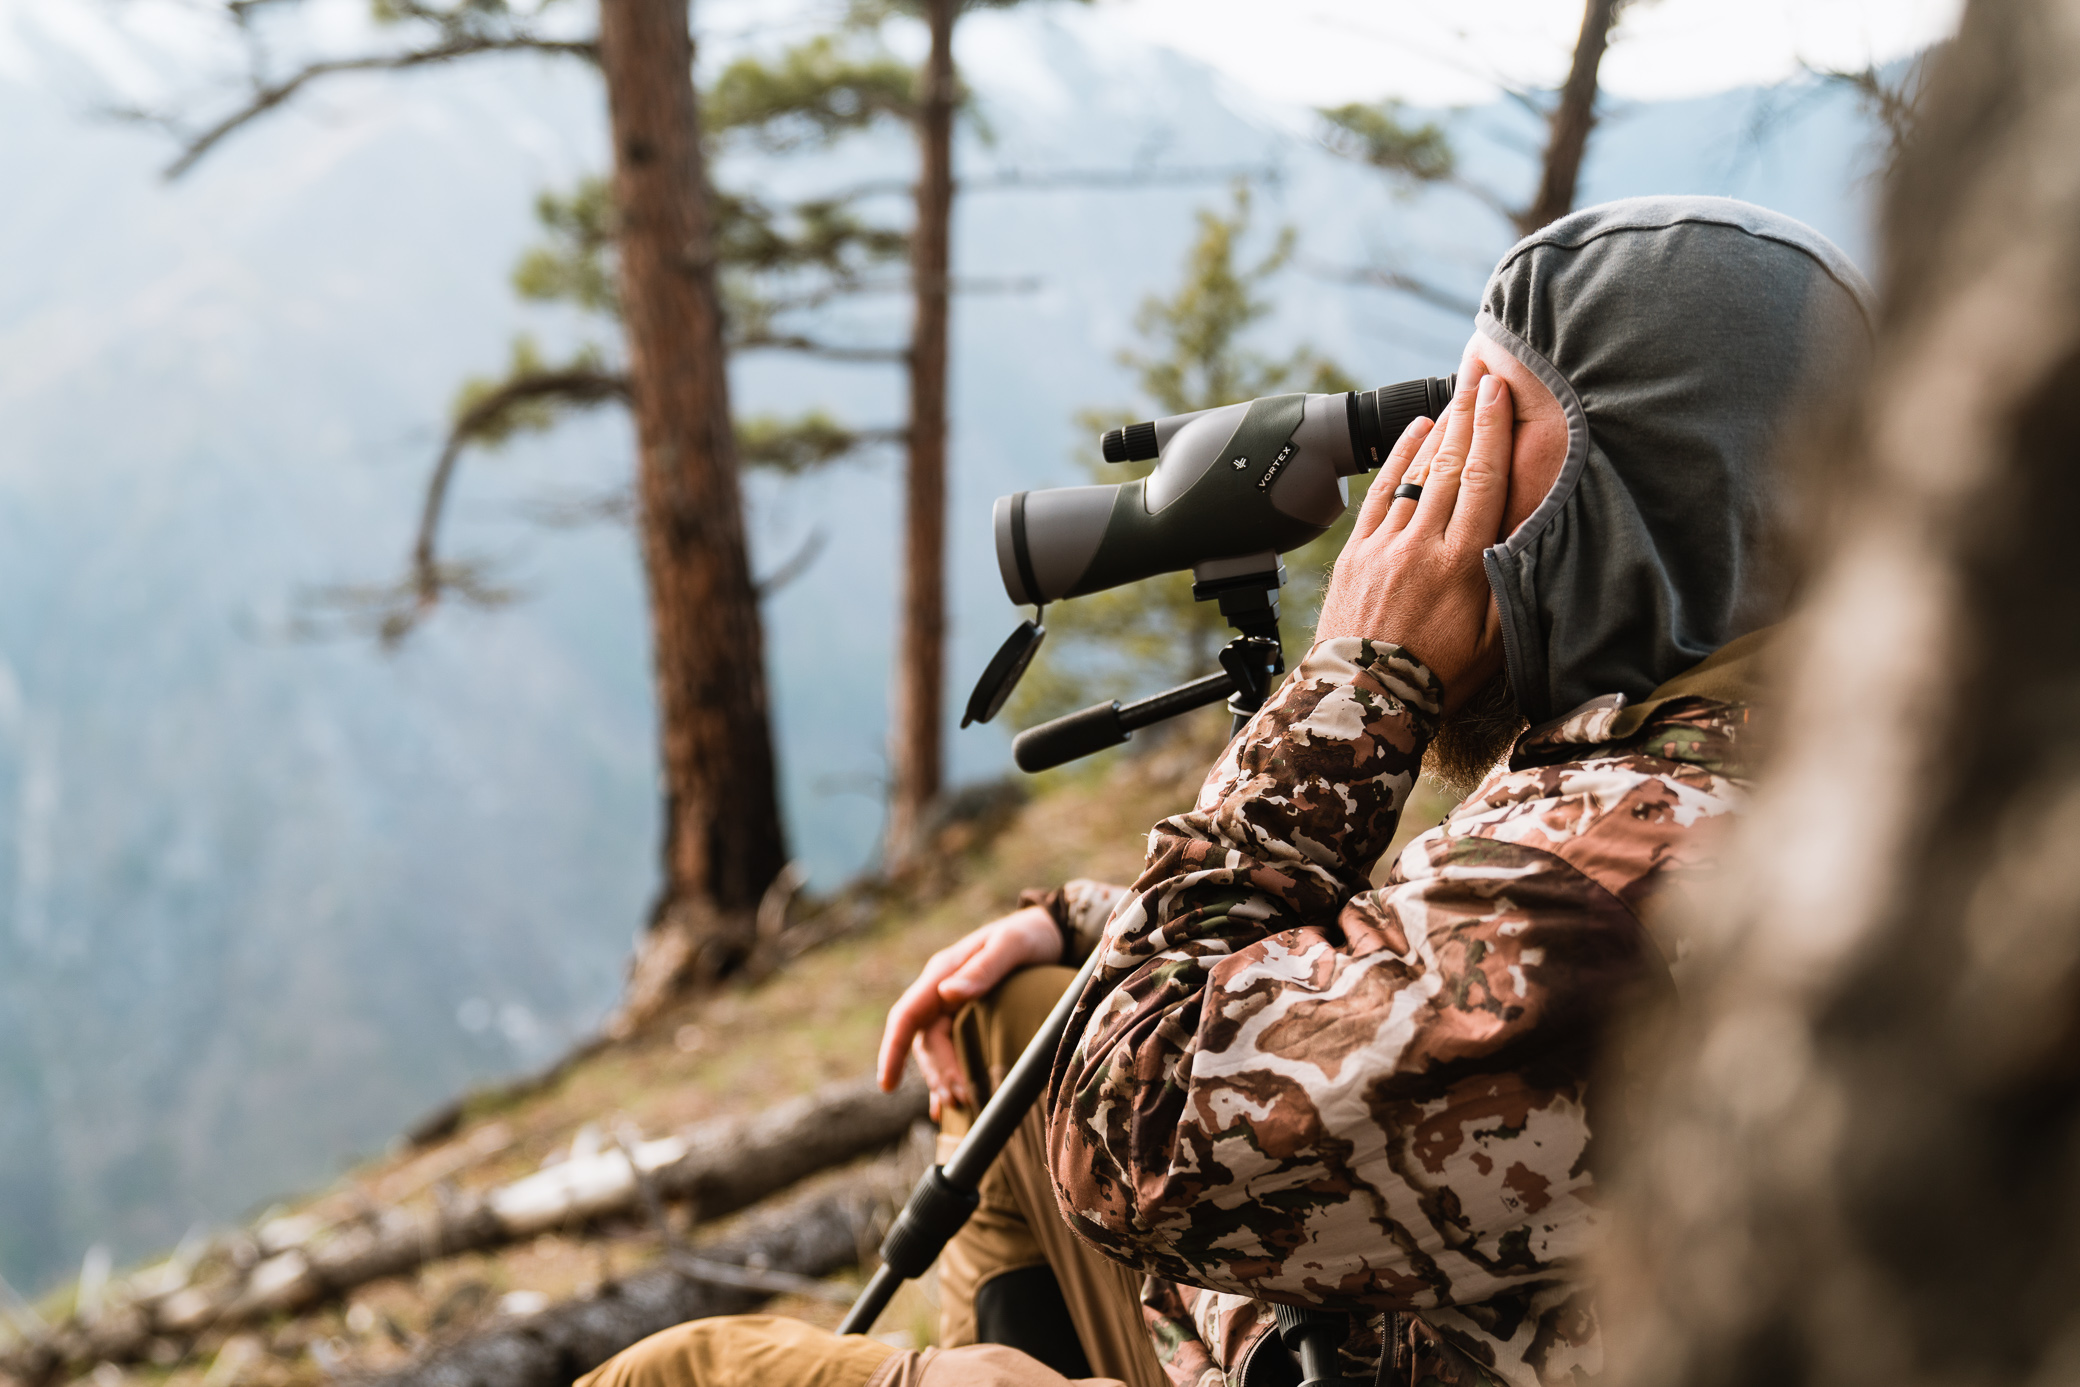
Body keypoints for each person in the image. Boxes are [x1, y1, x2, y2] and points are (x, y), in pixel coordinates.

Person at [577, 196, 1873, 1387]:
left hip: (1309, 1283)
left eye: (1486, 421)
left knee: (678, 1374)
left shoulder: (1605, 893)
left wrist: (1362, 677)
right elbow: (1412, 982)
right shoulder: (1787, 768)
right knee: (1013, 1019)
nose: (1425, 478)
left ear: (1628, 493)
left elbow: (1132, 1136)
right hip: (1419, 1327)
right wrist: (1091, 925)